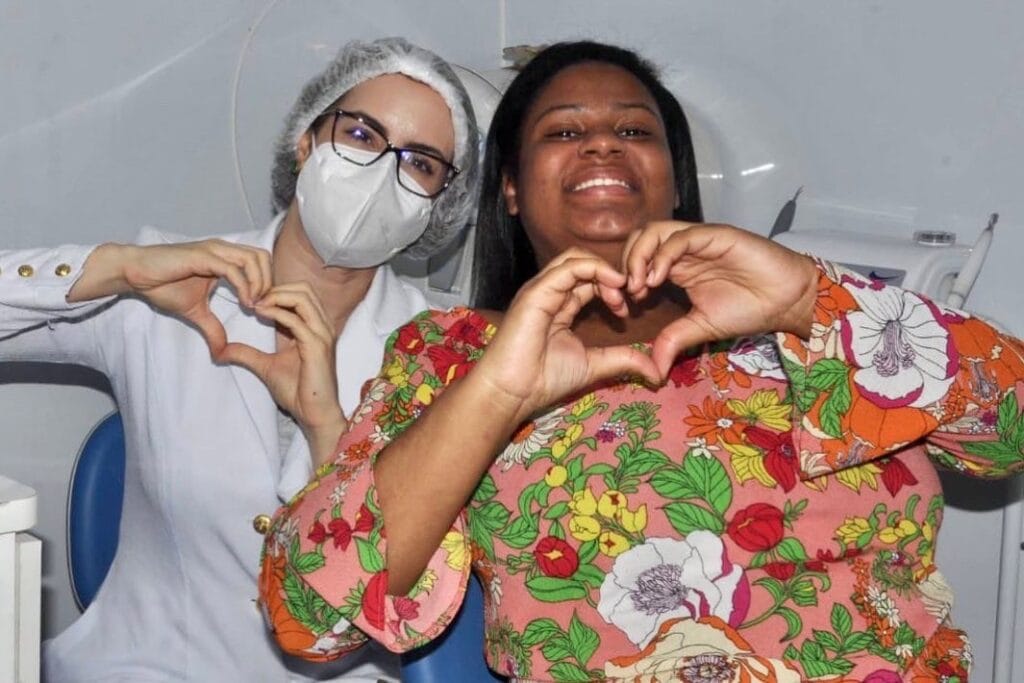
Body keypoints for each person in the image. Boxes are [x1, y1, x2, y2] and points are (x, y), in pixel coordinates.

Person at [253, 41, 1024, 682]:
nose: (601, 143)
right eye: (562, 131)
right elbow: (306, 615)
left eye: (634, 129)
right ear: (511, 189)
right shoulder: (452, 358)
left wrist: (804, 301)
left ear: (674, 179)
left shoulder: (796, 308)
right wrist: (497, 394)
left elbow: (1010, 430)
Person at [0, 37, 478, 681]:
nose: (379, 172)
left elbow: (409, 591)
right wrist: (118, 267)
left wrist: (328, 430)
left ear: (439, 205)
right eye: (361, 134)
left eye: (419, 163)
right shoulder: (168, 285)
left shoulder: (445, 351)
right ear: (306, 141)